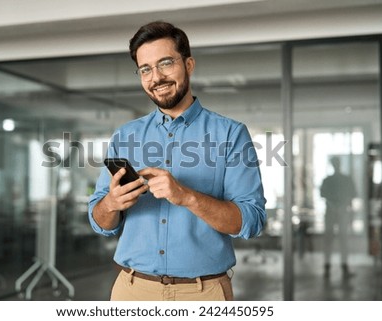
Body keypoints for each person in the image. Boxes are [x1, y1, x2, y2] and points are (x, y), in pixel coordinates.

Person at [88, 21, 266, 301]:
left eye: (166, 63)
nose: (156, 77)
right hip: (132, 291)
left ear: (189, 64)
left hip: (203, 293)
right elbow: (99, 221)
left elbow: (251, 220)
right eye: (145, 69)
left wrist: (186, 196)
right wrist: (112, 203)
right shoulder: (125, 135)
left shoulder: (231, 133)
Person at [320, 156, 357, 278]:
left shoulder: (337, 180)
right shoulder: (338, 180)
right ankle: (330, 266)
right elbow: (324, 195)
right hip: (336, 212)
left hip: (338, 213)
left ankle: (338, 266)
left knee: (340, 241)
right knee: (334, 241)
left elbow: (351, 196)